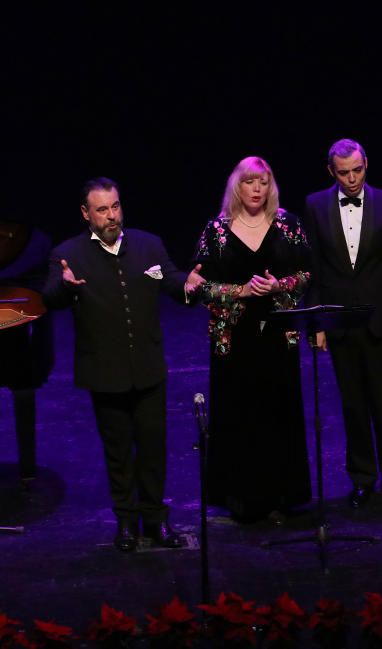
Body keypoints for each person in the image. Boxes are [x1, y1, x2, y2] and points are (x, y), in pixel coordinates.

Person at [43, 177, 202, 551]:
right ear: (86, 214)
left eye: (115, 206)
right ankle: (127, 524)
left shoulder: (147, 245)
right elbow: (48, 297)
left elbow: (172, 280)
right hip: (105, 373)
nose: (111, 216)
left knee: (153, 450)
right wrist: (64, 286)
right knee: (118, 454)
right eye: (102, 209)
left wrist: (188, 286)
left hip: (148, 369)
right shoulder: (68, 254)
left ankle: (155, 521)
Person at [193, 156, 312, 523]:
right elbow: (201, 286)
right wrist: (240, 291)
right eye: (249, 182)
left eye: (263, 182)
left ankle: (279, 496)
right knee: (238, 414)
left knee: (278, 413)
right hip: (234, 339)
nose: (257, 189)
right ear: (237, 186)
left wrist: (280, 285)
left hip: (277, 336)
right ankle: (241, 496)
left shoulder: (288, 225)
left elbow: (307, 273)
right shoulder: (216, 230)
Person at [302, 139, 382, 508]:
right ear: (331, 171)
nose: (352, 179)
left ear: (366, 164)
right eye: (344, 173)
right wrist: (317, 321)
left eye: (357, 170)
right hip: (338, 321)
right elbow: (314, 269)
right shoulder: (316, 206)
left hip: (379, 320)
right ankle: (362, 477)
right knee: (351, 404)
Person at [1, 220, 53, 481]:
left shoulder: (31, 241)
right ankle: (27, 467)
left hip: (16, 323)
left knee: (23, 383)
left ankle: (27, 465)